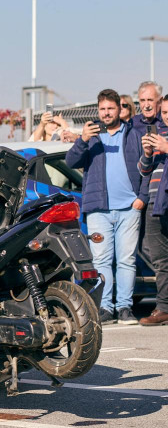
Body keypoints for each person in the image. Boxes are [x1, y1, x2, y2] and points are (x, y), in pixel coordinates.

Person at [65, 89, 147, 325]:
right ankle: (105, 308)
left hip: (129, 208)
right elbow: (71, 162)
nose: (107, 113)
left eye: (111, 108)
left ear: (120, 110)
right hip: (99, 209)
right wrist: (81, 140)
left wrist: (141, 197)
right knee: (101, 261)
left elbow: (146, 167)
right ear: (98, 111)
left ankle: (124, 308)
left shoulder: (134, 134)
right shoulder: (92, 136)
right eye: (102, 109)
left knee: (126, 260)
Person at [138, 94, 168, 325]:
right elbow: (144, 171)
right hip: (155, 203)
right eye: (165, 113)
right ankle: (164, 308)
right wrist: (147, 154)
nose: (167, 117)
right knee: (159, 259)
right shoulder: (158, 133)